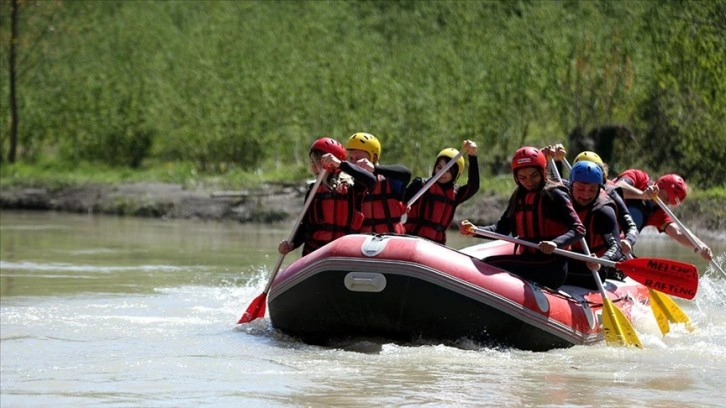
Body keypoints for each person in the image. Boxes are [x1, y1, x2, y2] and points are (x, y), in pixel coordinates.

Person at [459, 146, 585, 290]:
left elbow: (579, 229)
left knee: (489, 264)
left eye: (534, 176)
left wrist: (556, 243)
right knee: (485, 264)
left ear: (543, 172)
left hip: (551, 266)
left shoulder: (555, 194)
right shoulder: (518, 196)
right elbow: (501, 229)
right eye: (523, 178)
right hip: (527, 260)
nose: (529, 182)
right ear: (516, 177)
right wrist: (475, 230)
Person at [278, 137, 376, 256]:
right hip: (315, 252)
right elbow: (305, 227)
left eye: (316, 161)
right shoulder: (313, 190)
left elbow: (371, 180)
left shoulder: (353, 187)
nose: (312, 166)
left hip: (344, 251)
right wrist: (292, 244)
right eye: (312, 162)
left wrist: (340, 164)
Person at [613, 169, 713, 261]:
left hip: (621, 246)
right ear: (660, 185)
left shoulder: (659, 213)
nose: (664, 204)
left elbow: (678, 232)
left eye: (669, 202)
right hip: (601, 226)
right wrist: (642, 195)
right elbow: (616, 188)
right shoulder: (639, 177)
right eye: (665, 198)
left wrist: (699, 245)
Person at [403, 140, 479, 245]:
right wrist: (402, 206)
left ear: (455, 174)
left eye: (448, 171)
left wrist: (472, 156)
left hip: (436, 244)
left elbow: (474, 186)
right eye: (439, 167)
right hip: (412, 239)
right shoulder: (419, 185)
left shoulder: (456, 194)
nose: (442, 173)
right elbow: (399, 203)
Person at [563, 161, 623, 289]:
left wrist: (601, 261)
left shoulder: (603, 211)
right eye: (581, 188)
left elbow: (616, 247)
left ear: (598, 189)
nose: (586, 195)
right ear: (571, 185)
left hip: (590, 272)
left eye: (592, 189)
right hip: (562, 263)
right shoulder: (561, 199)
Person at [346, 132, 411, 234]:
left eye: (358, 159)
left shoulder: (389, 181)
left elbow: (405, 173)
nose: (353, 163)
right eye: (351, 159)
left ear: (374, 158)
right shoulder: (349, 185)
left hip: (390, 241)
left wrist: (374, 168)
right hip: (363, 243)